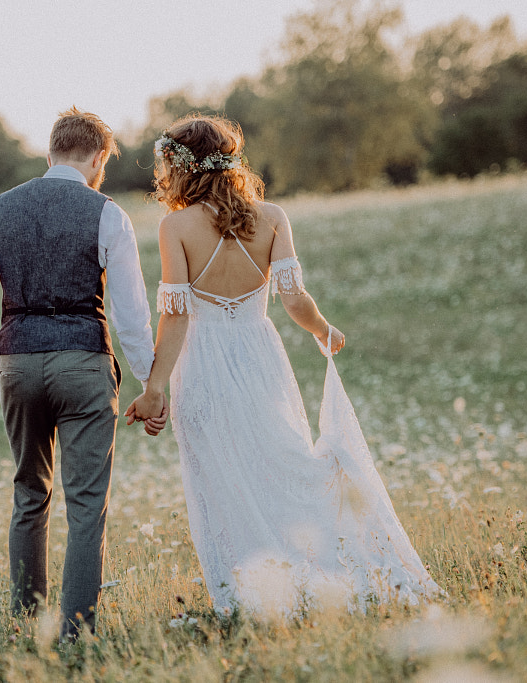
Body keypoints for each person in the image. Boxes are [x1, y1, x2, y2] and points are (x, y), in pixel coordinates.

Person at [126, 115, 441, 616]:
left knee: (222, 478)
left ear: (181, 168)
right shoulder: (271, 217)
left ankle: (250, 595)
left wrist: (155, 387)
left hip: (203, 365)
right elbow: (294, 300)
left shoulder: (176, 227)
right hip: (260, 357)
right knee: (280, 460)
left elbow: (176, 316)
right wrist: (322, 329)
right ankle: (302, 576)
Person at [0, 107, 165, 641]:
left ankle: (25, 629)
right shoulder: (108, 213)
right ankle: (76, 635)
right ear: (99, 157)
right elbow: (130, 315)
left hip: (18, 362)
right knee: (86, 505)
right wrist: (151, 383)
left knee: (29, 492)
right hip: (84, 362)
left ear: (50, 151)